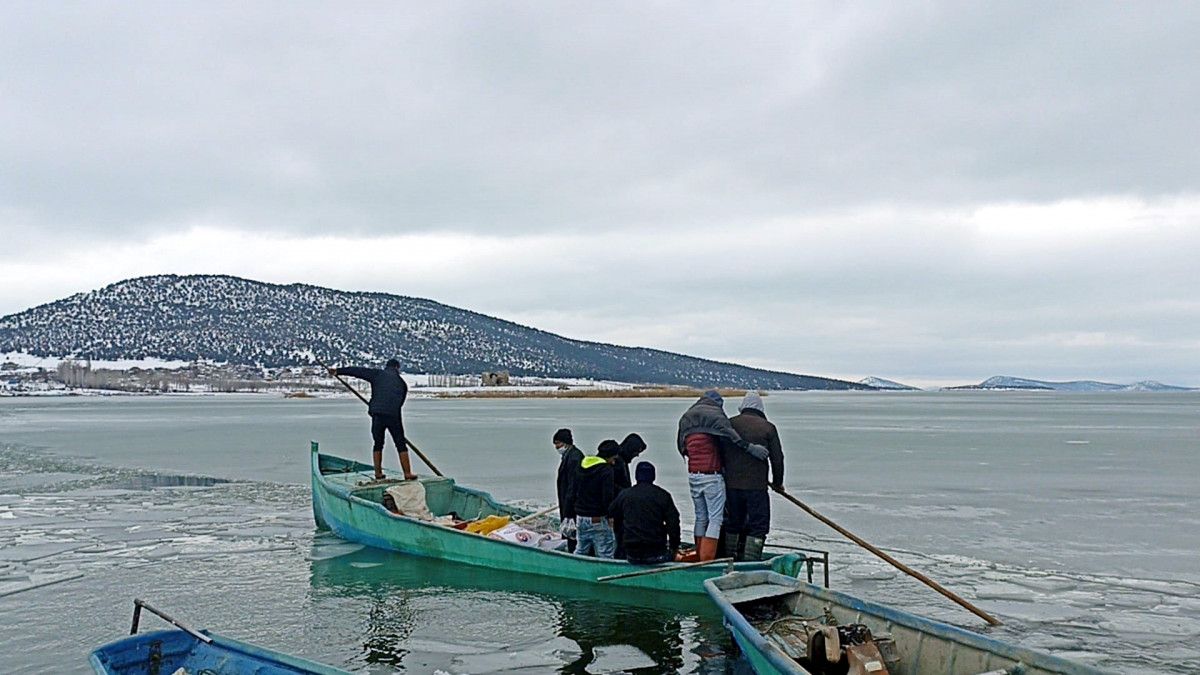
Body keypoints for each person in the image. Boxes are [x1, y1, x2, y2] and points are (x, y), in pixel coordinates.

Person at [677, 389, 769, 561]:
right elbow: (731, 439)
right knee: (715, 519)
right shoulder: (716, 417)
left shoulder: (687, 417)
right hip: (712, 475)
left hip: (693, 475)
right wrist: (751, 448)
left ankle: (699, 552)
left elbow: (682, 447)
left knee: (701, 516)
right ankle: (707, 559)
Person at [330, 359, 414, 481]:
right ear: (397, 368)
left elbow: (357, 371)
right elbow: (400, 402)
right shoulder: (402, 384)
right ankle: (407, 473)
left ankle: (378, 473)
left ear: (387, 367)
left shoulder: (377, 374)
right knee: (400, 444)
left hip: (378, 414)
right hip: (393, 415)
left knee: (378, 443)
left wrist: (338, 371)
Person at [727, 391, 785, 561]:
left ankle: (729, 558)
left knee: (733, 522)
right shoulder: (767, 427)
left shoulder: (730, 424)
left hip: (731, 485)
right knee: (758, 525)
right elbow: (777, 459)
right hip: (756, 487)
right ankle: (751, 561)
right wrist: (777, 483)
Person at [608, 461, 681, 564]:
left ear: (636, 476)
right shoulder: (663, 495)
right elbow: (674, 523)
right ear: (653, 477)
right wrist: (674, 547)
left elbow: (611, 512)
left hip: (631, 553)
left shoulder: (625, 495)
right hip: (656, 552)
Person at [564, 439, 620, 558]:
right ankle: (605, 574)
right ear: (609, 456)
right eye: (614, 459)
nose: (614, 462)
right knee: (605, 553)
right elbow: (607, 497)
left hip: (580, 518)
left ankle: (576, 571)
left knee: (580, 550)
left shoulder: (581, 465)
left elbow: (571, 491)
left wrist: (568, 514)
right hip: (597, 518)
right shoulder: (606, 470)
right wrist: (611, 516)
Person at [553, 428, 585, 553]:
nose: (556, 447)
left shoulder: (574, 458)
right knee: (569, 532)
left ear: (565, 442)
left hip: (572, 504)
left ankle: (573, 553)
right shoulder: (569, 456)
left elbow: (573, 485)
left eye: (558, 443)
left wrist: (568, 511)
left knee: (572, 533)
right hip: (567, 501)